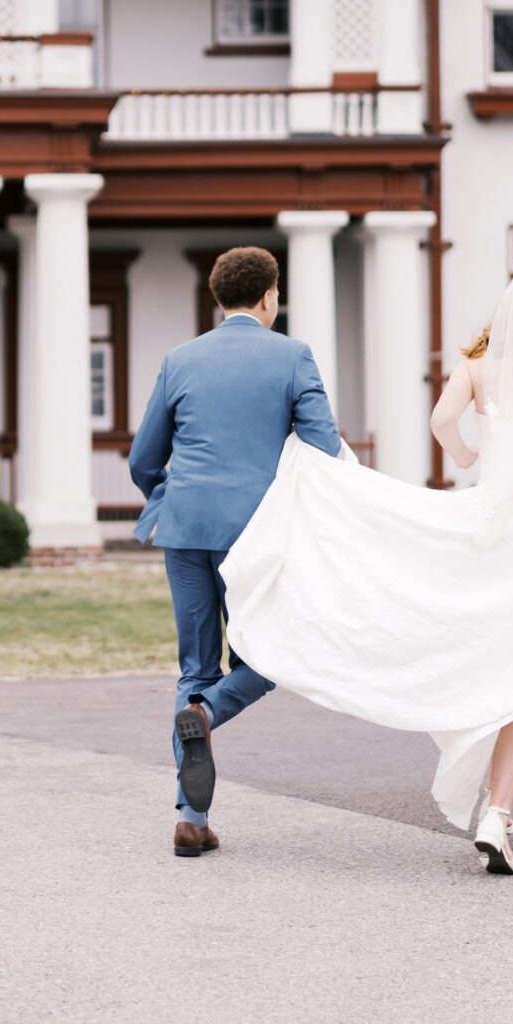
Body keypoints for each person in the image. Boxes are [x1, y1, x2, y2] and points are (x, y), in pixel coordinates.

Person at [222, 265, 513, 873]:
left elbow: (442, 422)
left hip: (494, 519)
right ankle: (499, 810)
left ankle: (492, 797)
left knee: (499, 653)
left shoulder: (478, 366)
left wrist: (470, 453)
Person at [128, 246, 341, 858]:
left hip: (185, 528)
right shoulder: (292, 356)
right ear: (271, 296)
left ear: (219, 300)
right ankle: (211, 712)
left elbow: (145, 458)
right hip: (259, 536)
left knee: (194, 667)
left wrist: (171, 497)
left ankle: (191, 818)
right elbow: (324, 450)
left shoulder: (179, 359)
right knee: (271, 653)